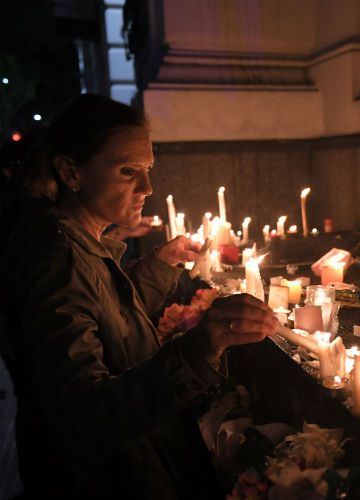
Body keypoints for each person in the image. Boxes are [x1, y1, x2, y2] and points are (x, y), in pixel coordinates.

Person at [0, 94, 278, 499]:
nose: (147, 188)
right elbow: (83, 412)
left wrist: (158, 267)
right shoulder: (57, 260)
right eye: (128, 171)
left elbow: (109, 323)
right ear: (70, 172)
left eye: (147, 169)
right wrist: (198, 349)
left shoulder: (76, 242)